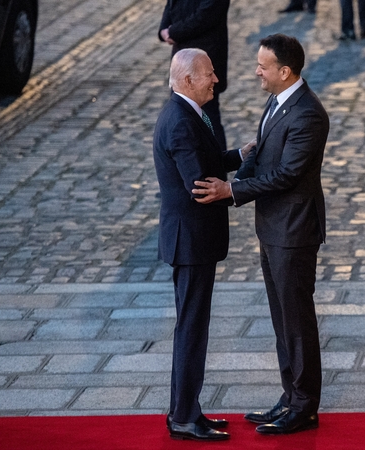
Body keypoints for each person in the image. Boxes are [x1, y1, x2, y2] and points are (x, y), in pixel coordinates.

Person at [192, 34, 329, 435]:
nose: (256, 72)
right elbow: (261, 155)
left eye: (262, 66)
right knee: (281, 320)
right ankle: (290, 397)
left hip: (293, 231)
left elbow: (287, 174)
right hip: (273, 229)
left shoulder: (307, 114)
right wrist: (237, 168)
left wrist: (231, 191)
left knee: (297, 322)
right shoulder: (278, 101)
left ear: (284, 72)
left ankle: (304, 406)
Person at [152, 48, 252, 442]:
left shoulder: (189, 112)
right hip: (190, 242)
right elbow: (201, 187)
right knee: (191, 329)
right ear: (188, 79)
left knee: (193, 327)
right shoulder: (179, 121)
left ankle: (186, 409)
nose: (216, 80)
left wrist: (240, 155)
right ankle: (183, 416)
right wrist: (241, 190)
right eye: (210, 74)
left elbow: (208, 162)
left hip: (194, 241)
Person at [159, 0, 230, 150]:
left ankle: (218, 168)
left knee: (208, 116)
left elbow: (207, 15)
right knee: (181, 114)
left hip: (207, 56)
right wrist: (164, 28)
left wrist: (173, 32)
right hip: (182, 57)